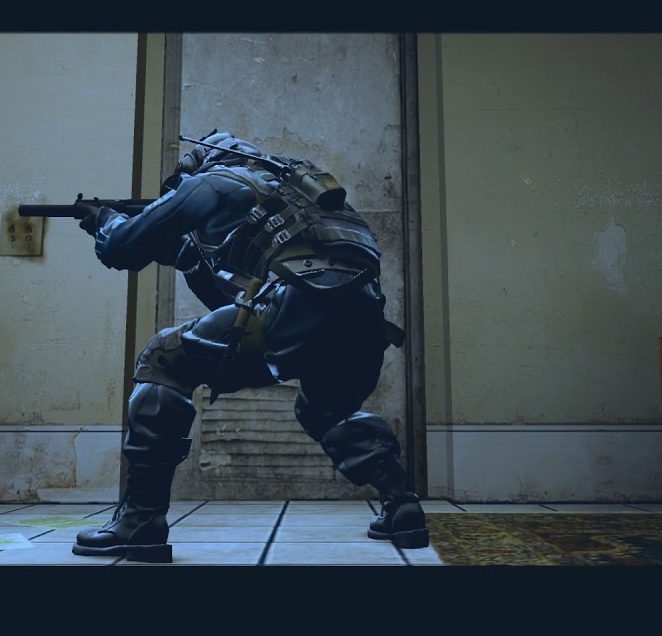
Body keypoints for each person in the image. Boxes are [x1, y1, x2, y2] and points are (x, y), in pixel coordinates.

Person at [68, 131, 426, 563]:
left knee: (164, 359)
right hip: (364, 323)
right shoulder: (305, 197)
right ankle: (403, 506)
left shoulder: (213, 181)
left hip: (299, 307)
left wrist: (105, 219)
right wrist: (182, 251)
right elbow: (228, 290)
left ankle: (139, 521)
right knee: (326, 411)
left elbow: (122, 248)